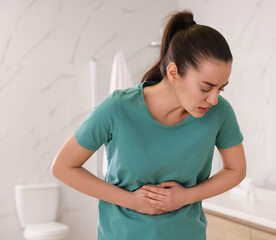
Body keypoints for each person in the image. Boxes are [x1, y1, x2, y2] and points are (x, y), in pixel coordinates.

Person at [52, 9, 246, 240]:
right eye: (206, 88)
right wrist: (133, 201)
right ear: (174, 73)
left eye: (221, 88)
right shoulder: (118, 108)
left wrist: (186, 196)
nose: (214, 99)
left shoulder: (219, 113)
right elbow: (63, 167)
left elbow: (236, 170)